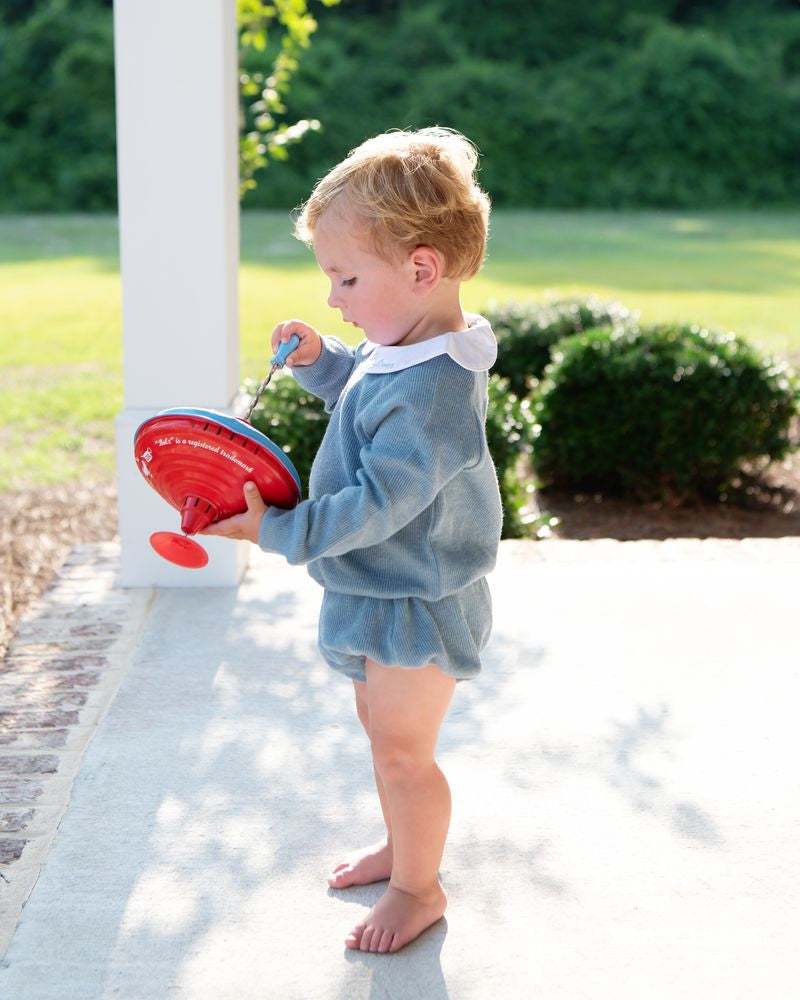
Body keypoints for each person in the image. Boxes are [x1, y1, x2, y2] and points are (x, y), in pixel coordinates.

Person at [201, 127, 503, 953]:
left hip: (417, 599)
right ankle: (403, 846)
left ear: (420, 270)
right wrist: (322, 361)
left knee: (405, 752)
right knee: (382, 732)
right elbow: (363, 391)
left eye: (345, 279)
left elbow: (381, 499)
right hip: (379, 590)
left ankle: (420, 885)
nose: (335, 297)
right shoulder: (401, 346)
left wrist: (283, 529)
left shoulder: (439, 387)